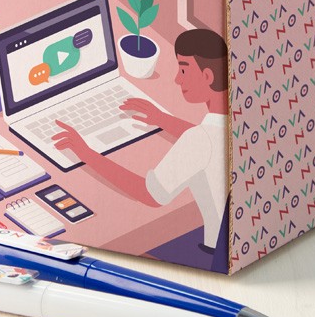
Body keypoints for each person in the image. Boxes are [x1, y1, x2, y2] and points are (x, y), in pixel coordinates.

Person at [51, 29, 228, 269]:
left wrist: (86, 153)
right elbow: (211, 140)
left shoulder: (199, 140)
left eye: (184, 70)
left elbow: (150, 194)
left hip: (211, 252)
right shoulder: (233, 122)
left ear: (207, 76)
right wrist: (163, 119)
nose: (177, 79)